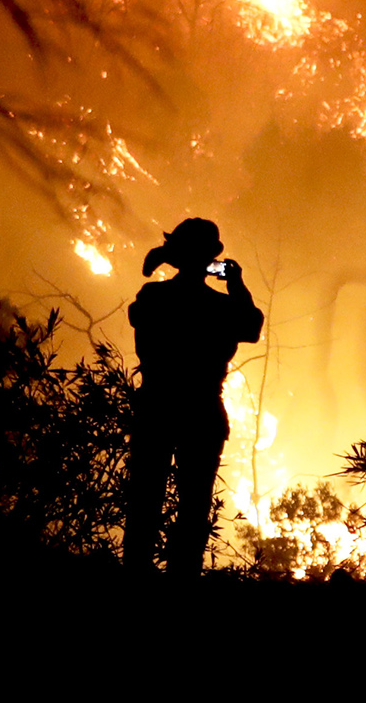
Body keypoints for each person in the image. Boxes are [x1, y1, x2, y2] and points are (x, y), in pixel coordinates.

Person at [122, 218, 263, 576]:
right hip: (202, 413)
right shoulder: (223, 308)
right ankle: (182, 582)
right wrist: (236, 284)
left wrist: (164, 257)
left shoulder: (152, 298)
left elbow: (138, 316)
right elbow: (252, 325)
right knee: (194, 508)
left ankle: (135, 576)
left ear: (176, 254)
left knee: (144, 503)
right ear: (211, 260)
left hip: (156, 408)